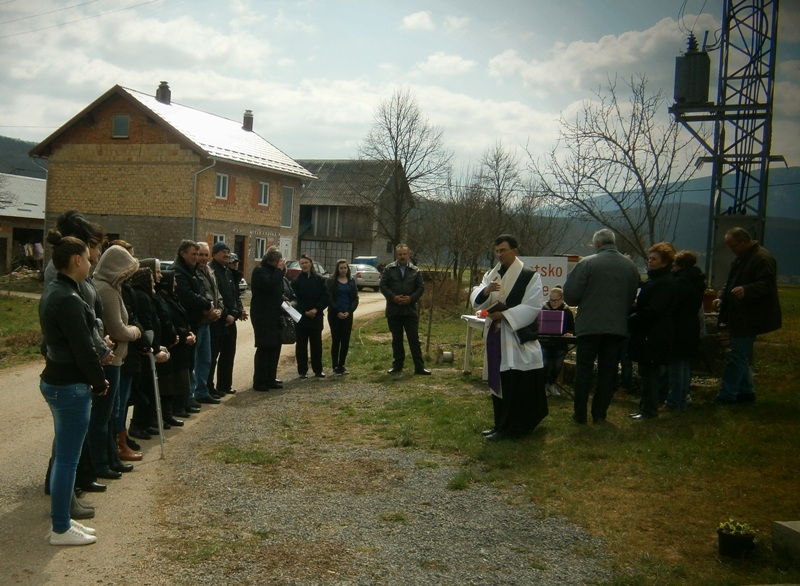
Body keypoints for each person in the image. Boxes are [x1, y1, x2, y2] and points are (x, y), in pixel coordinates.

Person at [39, 230, 108, 545]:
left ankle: (63, 521)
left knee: (67, 457)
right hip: (69, 384)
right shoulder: (67, 297)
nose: (93, 261)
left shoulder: (57, 289)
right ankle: (60, 528)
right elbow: (83, 347)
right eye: (89, 256)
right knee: (68, 459)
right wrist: (99, 380)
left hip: (58, 379)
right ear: (77, 259)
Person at [470, 234, 548, 441]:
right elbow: (477, 296)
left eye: (503, 250)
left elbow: (532, 305)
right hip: (496, 334)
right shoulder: (492, 274)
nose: (499, 255)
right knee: (499, 380)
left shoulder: (529, 276)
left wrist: (504, 314)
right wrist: (485, 290)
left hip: (516, 336)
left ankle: (513, 426)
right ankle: (500, 423)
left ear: (515, 251)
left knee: (514, 381)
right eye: (496, 251)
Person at [562, 229, 640, 424]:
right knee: (608, 372)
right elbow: (631, 297)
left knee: (584, 371)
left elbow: (570, 295)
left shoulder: (587, 263)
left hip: (589, 326)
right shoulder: (630, 266)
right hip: (616, 327)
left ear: (596, 244)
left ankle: (579, 414)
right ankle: (600, 414)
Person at [90, 245, 142, 478]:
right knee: (104, 415)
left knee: (111, 414)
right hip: (110, 360)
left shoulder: (112, 288)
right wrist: (135, 333)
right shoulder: (106, 291)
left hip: (116, 359)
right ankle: (101, 463)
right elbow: (117, 329)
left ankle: (110, 457)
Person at [714, 227, 782, 404]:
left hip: (750, 315)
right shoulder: (744, 257)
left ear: (744, 241)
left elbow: (767, 284)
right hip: (740, 313)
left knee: (736, 356)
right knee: (740, 354)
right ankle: (746, 392)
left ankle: (726, 395)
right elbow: (731, 282)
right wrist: (722, 298)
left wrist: (746, 290)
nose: (731, 249)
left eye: (733, 245)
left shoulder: (762, 258)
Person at [627, 242, 676, 420]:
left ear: (664, 262)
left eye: (654, 259)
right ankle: (645, 407)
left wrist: (632, 320)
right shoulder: (656, 280)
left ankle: (649, 410)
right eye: (649, 258)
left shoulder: (664, 282)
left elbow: (654, 310)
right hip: (648, 333)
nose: (650, 261)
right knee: (646, 373)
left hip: (654, 334)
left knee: (650, 374)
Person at [173, 240, 220, 406]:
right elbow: (187, 295)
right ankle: (189, 396)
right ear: (182, 253)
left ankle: (201, 391)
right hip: (192, 322)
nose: (197, 257)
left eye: (200, 254)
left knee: (205, 359)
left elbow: (205, 292)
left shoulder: (193, 270)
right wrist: (207, 306)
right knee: (192, 361)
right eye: (194, 254)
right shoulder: (179, 271)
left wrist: (214, 307)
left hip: (203, 321)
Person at [380, 244, 430, 375]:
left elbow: (421, 287)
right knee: (396, 340)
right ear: (396, 255)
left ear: (409, 255)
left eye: (404, 254)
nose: (402, 256)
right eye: (400, 254)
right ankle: (397, 366)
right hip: (394, 310)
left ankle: (419, 367)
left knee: (414, 339)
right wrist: (393, 297)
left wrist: (411, 298)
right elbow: (383, 286)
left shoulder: (415, 271)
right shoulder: (389, 269)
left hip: (410, 310)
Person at [666, 250, 706, 410]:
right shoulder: (696, 280)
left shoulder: (681, 282)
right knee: (684, 365)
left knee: (676, 365)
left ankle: (674, 401)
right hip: (691, 325)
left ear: (680, 265)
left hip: (679, 326)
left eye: (674, 264)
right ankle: (682, 398)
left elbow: (673, 305)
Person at [208, 242, 243, 395]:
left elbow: (233, 295)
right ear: (214, 254)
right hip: (217, 321)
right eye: (223, 252)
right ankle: (209, 387)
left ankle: (225, 385)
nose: (227, 255)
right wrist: (225, 315)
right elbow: (215, 299)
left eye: (228, 252)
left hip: (231, 320)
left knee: (228, 354)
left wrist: (237, 312)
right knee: (212, 356)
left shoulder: (227, 272)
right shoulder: (211, 271)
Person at [250, 247, 287, 391]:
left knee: (275, 347)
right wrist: (279, 270)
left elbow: (277, 290)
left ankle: (271, 378)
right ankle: (260, 381)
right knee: (264, 348)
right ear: (272, 261)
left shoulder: (272, 271)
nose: (281, 264)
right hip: (262, 316)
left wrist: (284, 299)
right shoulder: (260, 271)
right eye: (279, 261)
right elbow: (270, 285)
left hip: (274, 315)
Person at [291, 254, 328, 379]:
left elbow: (325, 297)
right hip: (301, 318)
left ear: (311, 263)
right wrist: (304, 311)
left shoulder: (320, 279)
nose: (304, 265)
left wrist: (316, 309)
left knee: (316, 345)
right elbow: (294, 299)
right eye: (302, 263)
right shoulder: (296, 281)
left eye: (306, 262)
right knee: (301, 345)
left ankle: (318, 370)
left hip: (316, 316)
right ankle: (302, 371)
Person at [195, 242, 224, 400]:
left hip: (210, 321)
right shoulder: (194, 272)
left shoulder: (210, 271)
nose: (203, 258)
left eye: (206, 255)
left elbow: (217, 293)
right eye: (200, 254)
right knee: (197, 360)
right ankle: (195, 393)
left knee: (207, 359)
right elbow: (201, 295)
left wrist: (219, 309)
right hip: (201, 320)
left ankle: (202, 391)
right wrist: (210, 311)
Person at [539, 286, 575, 397]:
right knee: (544, 363)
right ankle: (543, 385)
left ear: (561, 299)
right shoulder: (544, 308)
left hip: (560, 344)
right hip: (545, 343)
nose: (553, 303)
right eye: (551, 299)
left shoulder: (567, 311)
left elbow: (572, 328)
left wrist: (569, 333)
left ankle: (551, 383)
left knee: (557, 365)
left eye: (556, 300)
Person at [326, 259, 359, 375]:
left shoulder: (351, 281)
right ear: (337, 269)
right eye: (341, 268)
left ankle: (342, 365)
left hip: (348, 314)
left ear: (347, 269)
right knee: (336, 340)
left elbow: (355, 298)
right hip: (335, 315)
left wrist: (349, 311)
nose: (343, 270)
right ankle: (335, 366)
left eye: (345, 268)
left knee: (345, 340)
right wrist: (337, 312)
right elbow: (329, 298)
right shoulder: (331, 281)